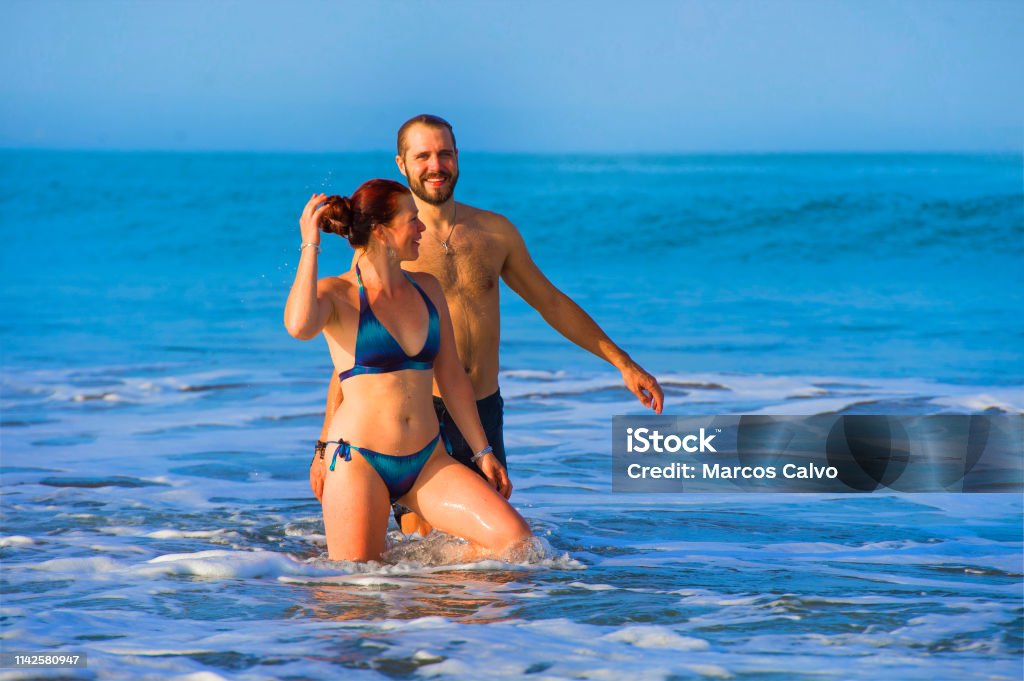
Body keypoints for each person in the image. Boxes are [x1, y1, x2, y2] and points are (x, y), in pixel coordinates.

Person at [311, 114, 665, 535]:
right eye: (422, 155)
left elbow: (550, 302)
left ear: (458, 157)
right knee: (423, 561)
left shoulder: (495, 232)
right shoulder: (392, 247)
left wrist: (622, 363)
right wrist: (324, 441)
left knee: (494, 561)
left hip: (482, 410)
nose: (435, 165)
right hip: (417, 418)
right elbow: (357, 353)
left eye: (444, 153)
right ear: (401, 165)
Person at [285, 179, 531, 561]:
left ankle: (424, 591)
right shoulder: (338, 294)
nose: (422, 228)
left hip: (429, 461)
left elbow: (450, 376)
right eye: (412, 220)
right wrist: (310, 245)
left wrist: (483, 451)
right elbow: (299, 326)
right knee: (358, 592)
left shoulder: (427, 288)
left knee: (516, 545)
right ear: (382, 232)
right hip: (358, 462)